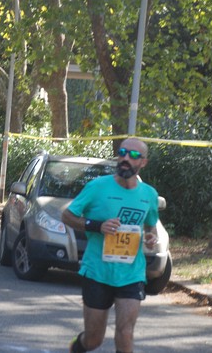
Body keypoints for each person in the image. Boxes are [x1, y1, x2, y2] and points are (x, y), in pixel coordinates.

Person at [62, 138, 159, 353]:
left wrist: (151, 238)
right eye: (122, 152)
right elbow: (67, 216)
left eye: (133, 156)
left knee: (125, 335)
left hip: (131, 274)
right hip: (98, 272)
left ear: (143, 162)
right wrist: (97, 225)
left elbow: (151, 227)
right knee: (94, 340)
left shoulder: (149, 195)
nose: (125, 158)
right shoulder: (97, 187)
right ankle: (76, 347)